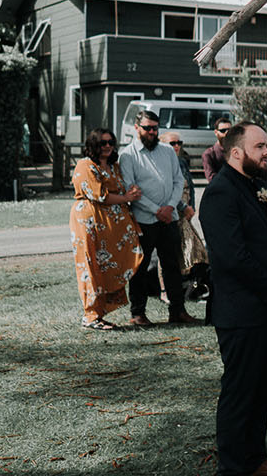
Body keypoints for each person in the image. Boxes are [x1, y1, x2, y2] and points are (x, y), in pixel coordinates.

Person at [200, 122, 267, 476]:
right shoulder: (220, 193)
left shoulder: (256, 189)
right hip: (240, 310)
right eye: (261, 147)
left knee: (262, 388)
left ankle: (254, 460)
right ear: (237, 151)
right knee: (240, 391)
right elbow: (232, 257)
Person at [119, 110, 197, 326]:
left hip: (169, 218)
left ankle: (178, 311)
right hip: (144, 219)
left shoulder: (167, 152)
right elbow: (130, 188)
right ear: (137, 128)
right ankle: (138, 313)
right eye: (147, 128)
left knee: (172, 266)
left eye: (155, 128)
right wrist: (156, 210)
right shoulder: (128, 155)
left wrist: (170, 206)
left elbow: (177, 181)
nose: (152, 132)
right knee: (140, 268)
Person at [70, 128, 144, 330]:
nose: (108, 146)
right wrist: (127, 198)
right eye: (103, 143)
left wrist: (131, 192)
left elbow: (120, 190)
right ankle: (90, 314)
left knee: (106, 266)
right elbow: (99, 195)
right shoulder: (86, 165)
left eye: (111, 142)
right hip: (90, 221)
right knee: (91, 265)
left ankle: (100, 313)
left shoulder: (114, 166)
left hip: (110, 227)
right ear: (93, 145)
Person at [162, 131, 209, 303]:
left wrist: (192, 208)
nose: (176, 146)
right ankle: (165, 290)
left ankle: (191, 287)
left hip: (185, 213)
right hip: (172, 212)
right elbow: (169, 191)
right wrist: (183, 207)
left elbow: (190, 185)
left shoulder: (182, 162)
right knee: (173, 252)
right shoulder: (163, 164)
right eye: (172, 143)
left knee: (195, 251)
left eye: (178, 143)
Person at [201, 117, 232, 181]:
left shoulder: (238, 151)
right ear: (216, 132)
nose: (227, 133)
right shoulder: (209, 154)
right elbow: (211, 178)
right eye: (223, 130)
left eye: (230, 130)